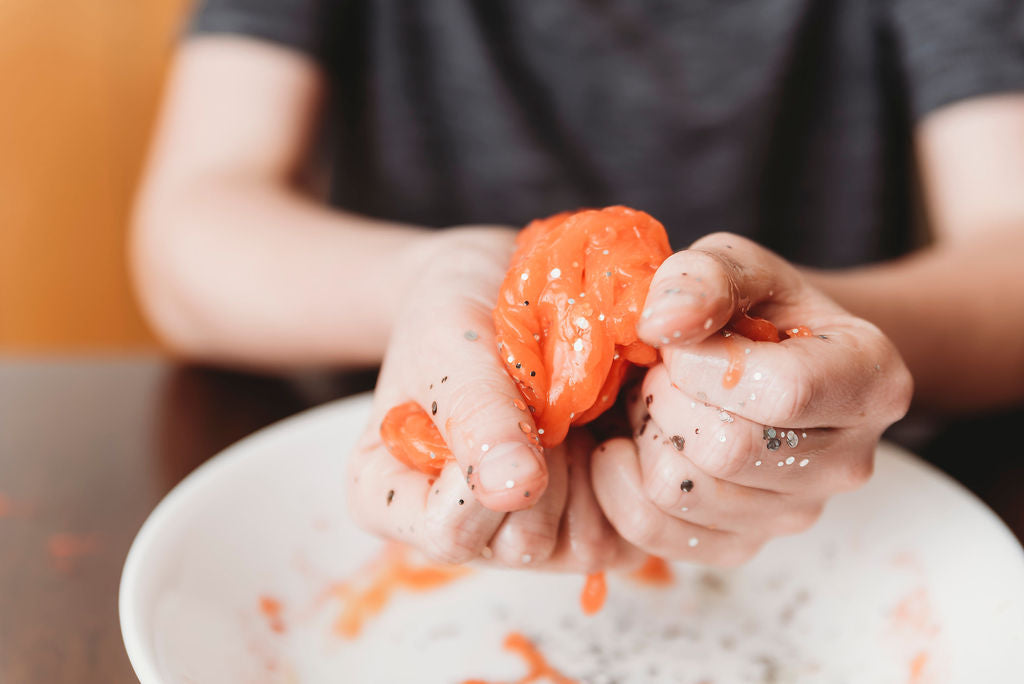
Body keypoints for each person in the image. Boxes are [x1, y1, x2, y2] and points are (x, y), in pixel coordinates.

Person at [132, 1, 1024, 570]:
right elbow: (185, 241)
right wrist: (422, 279)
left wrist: (805, 353)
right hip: (383, 485)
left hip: (830, 512)